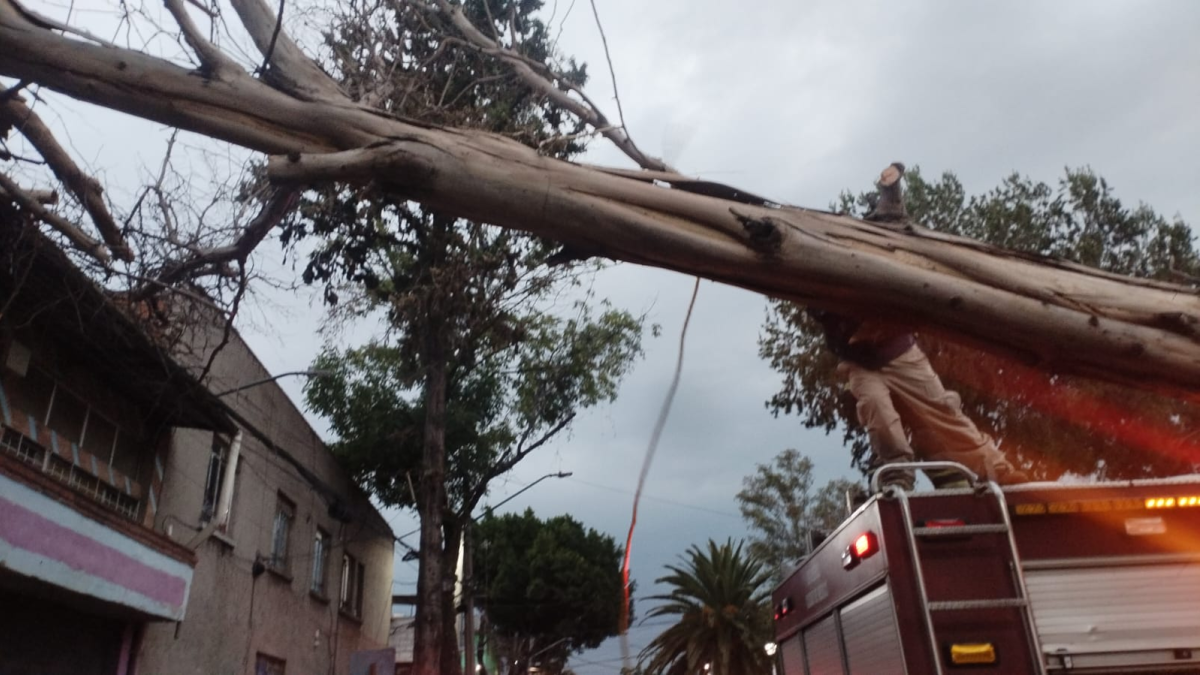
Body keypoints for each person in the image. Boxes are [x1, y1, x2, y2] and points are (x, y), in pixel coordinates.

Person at [810, 309, 1028, 490]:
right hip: (860, 365)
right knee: (876, 410)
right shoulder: (818, 279)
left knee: (944, 414)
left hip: (902, 355)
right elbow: (817, 309)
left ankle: (997, 470)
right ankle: (897, 475)